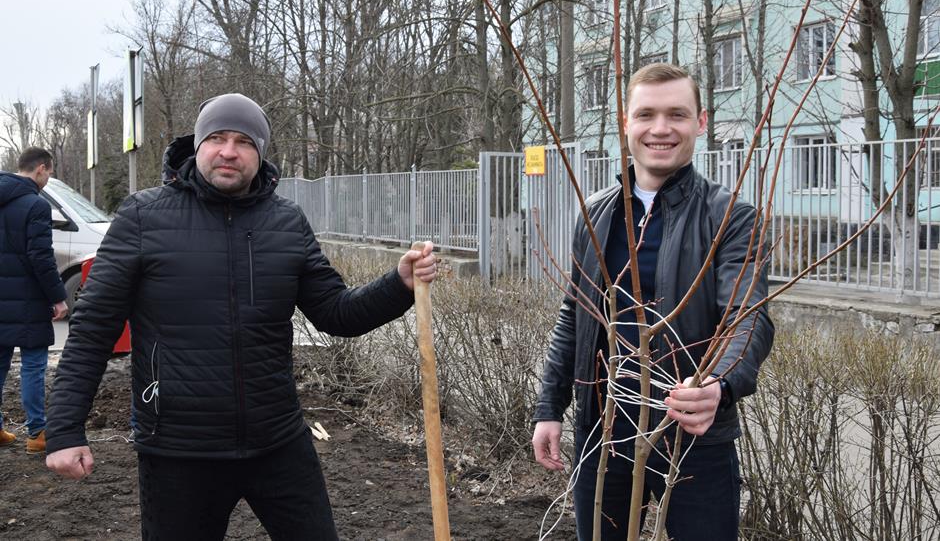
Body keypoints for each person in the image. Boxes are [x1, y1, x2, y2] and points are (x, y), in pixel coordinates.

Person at [44, 93, 439, 540]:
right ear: (198, 146)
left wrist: (398, 284)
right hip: (178, 450)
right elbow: (93, 330)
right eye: (217, 138)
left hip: (278, 442)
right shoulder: (143, 217)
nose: (229, 151)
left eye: (244, 141)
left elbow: (336, 313)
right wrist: (64, 430)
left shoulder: (286, 222)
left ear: (261, 153)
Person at [531, 64, 774, 540]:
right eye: (646, 114)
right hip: (602, 434)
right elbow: (574, 316)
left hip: (694, 436)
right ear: (626, 122)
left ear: (700, 122)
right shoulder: (596, 212)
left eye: (676, 115)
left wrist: (719, 385)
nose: (660, 128)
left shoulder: (731, 217)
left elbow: (747, 318)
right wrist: (549, 408)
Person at [0, 147, 69, 454]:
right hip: (28, 300)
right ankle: (37, 434)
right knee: (32, 366)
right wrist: (58, 297)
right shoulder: (36, 205)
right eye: (50, 172)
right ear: (41, 168)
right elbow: (40, 257)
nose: (48, 178)